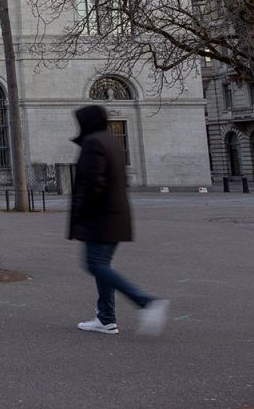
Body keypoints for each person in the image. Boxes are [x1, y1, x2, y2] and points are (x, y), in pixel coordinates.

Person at [70, 104, 168, 336]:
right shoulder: (111, 140)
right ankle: (106, 318)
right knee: (102, 265)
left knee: (95, 264)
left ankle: (146, 301)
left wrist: (82, 212)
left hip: (100, 218)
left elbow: (94, 183)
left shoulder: (93, 143)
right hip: (114, 216)